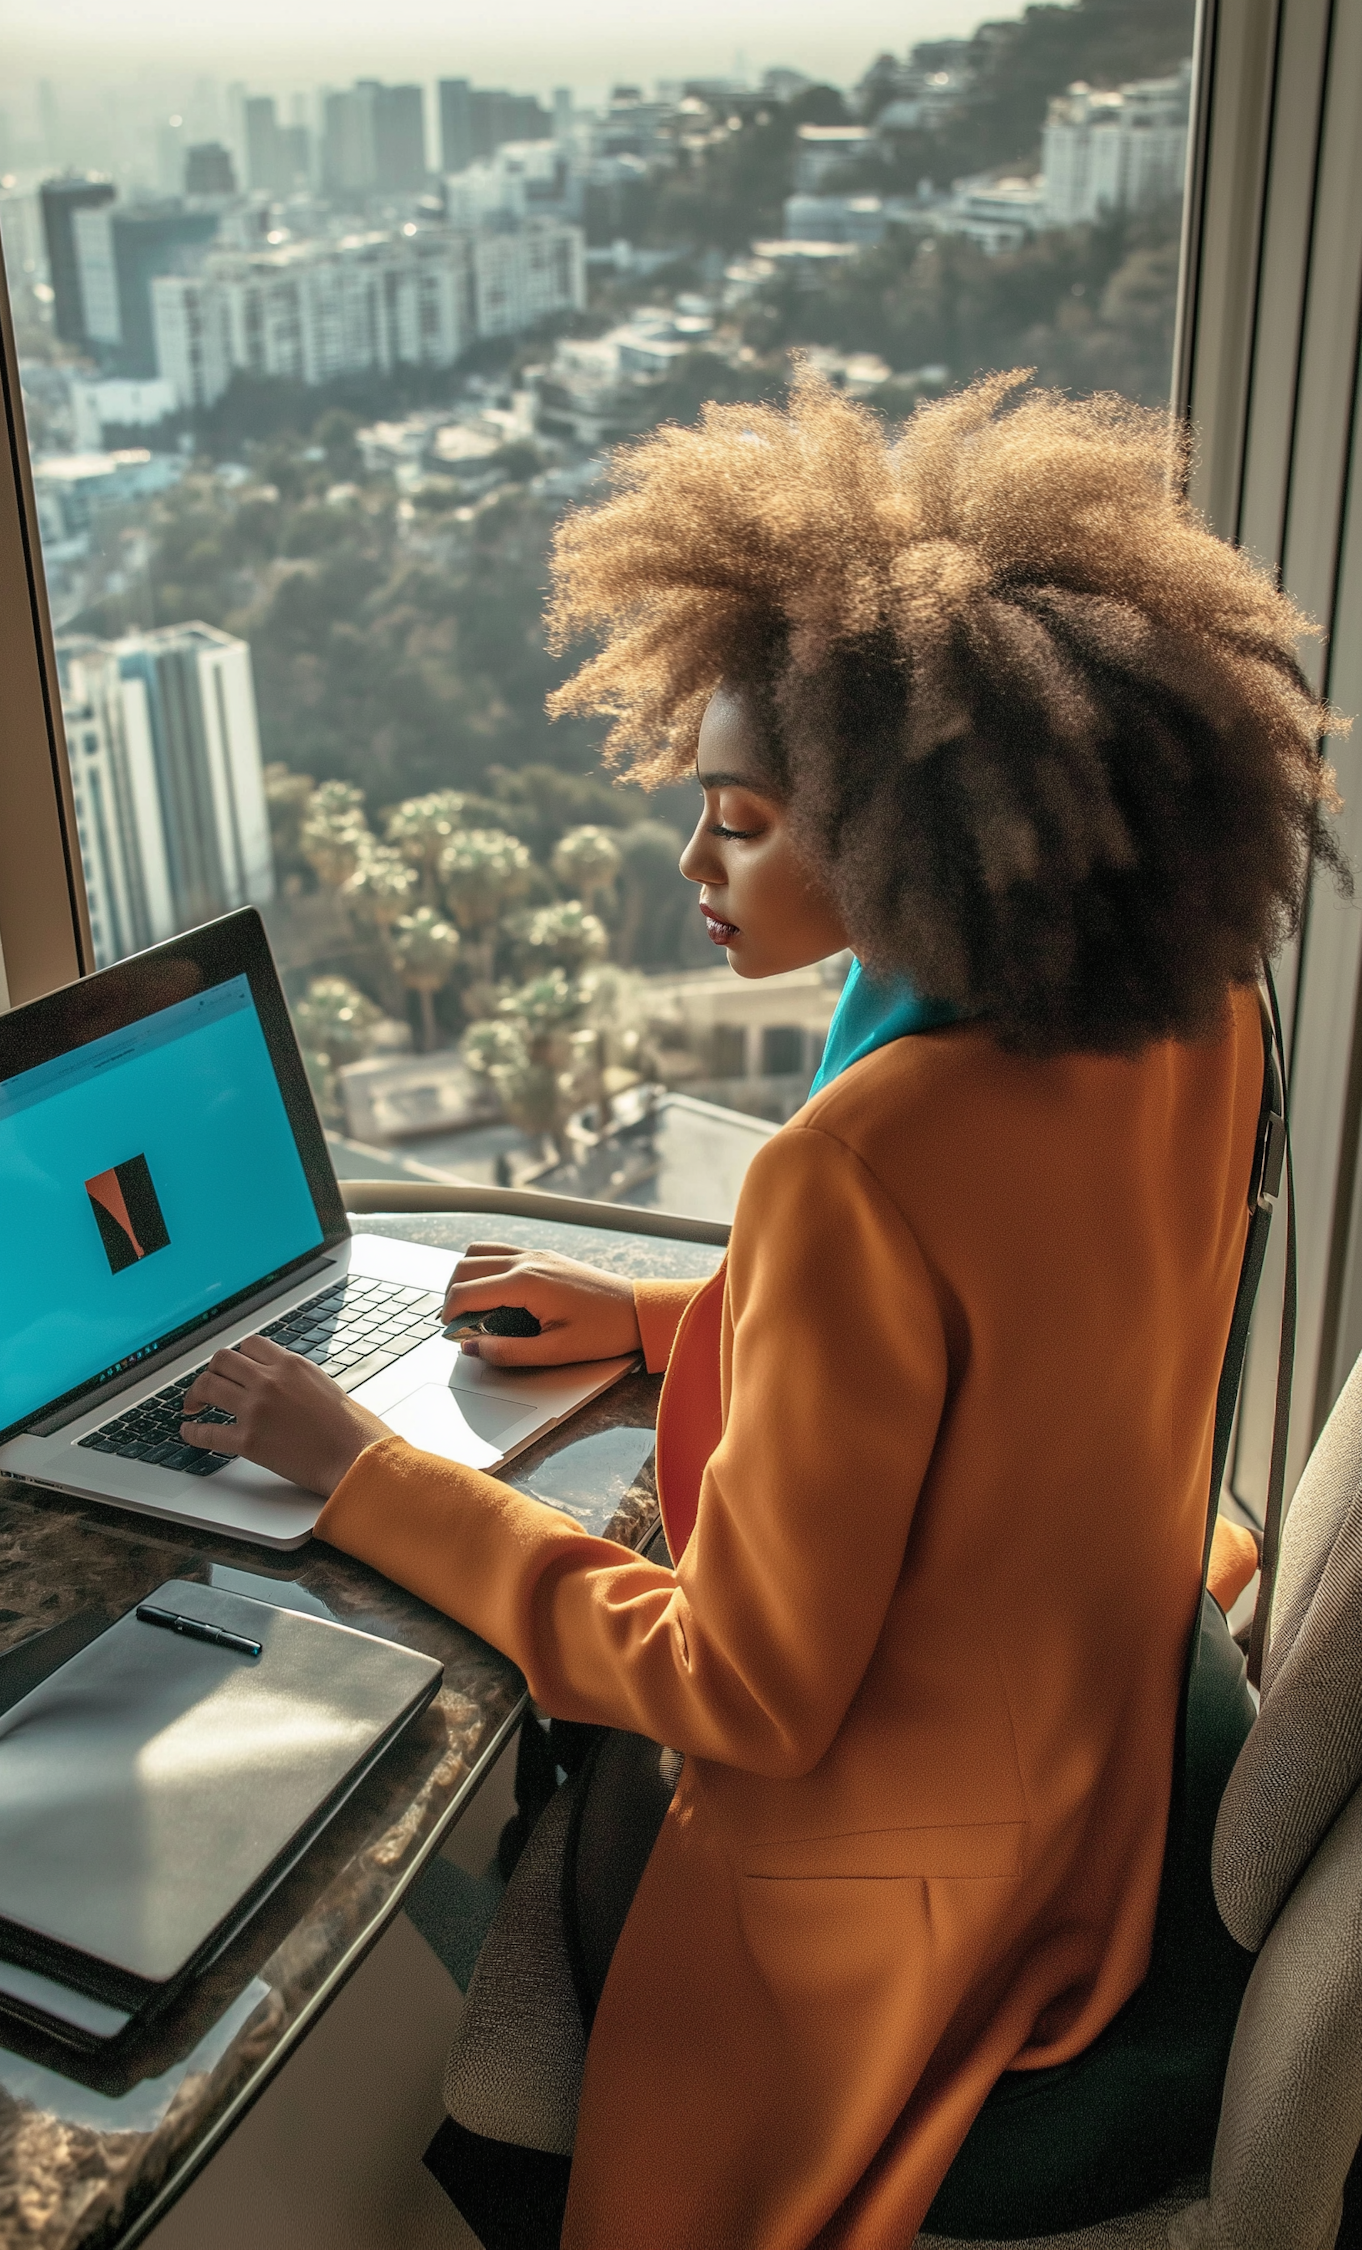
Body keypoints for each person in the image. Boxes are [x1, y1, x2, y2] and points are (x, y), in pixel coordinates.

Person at [179, 372, 1343, 2249]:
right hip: (1091, 1757)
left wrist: (361, 1476)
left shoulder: (851, 1170)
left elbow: (745, 1690)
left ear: (904, 829)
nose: (697, 867)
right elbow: (1025, 1327)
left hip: (897, 1899)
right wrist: (668, 1323)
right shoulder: (1181, 1012)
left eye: (736, 819)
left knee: (456, 1809)